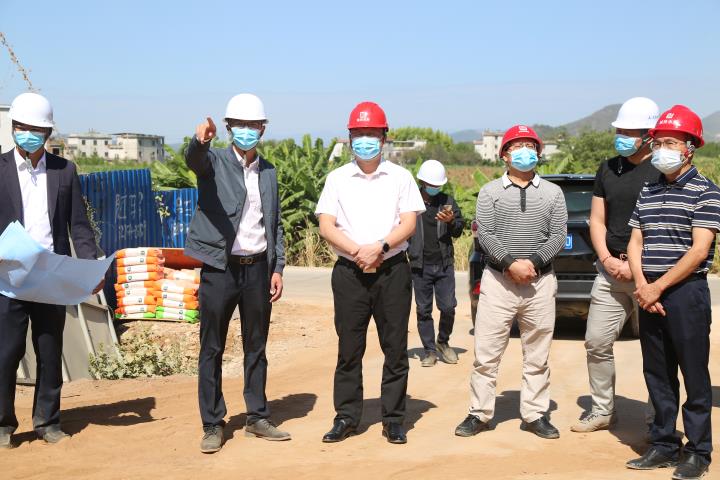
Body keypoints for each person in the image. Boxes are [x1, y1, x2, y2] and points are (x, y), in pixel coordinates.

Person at [315, 101, 425, 444]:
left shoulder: (401, 177)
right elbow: (326, 225)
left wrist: (380, 246)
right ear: (350, 138)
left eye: (371, 133)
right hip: (349, 272)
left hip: (392, 270)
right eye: (359, 133)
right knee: (349, 348)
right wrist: (357, 251)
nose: (365, 139)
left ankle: (393, 419)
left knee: (395, 348)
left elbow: (409, 222)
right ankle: (346, 417)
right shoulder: (336, 179)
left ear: (384, 137)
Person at [185, 93, 289, 454]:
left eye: (253, 125)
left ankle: (257, 416)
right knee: (212, 347)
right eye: (240, 125)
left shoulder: (269, 172)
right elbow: (194, 160)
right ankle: (212, 423)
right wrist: (199, 141)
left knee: (256, 346)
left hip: (257, 269)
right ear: (229, 127)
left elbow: (275, 222)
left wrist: (277, 267)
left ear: (263, 129)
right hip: (220, 268)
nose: (246, 130)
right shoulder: (213, 161)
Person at [0, 92, 102, 448]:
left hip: (50, 276)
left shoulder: (64, 171)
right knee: (6, 352)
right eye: (22, 127)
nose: (28, 134)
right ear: (13, 128)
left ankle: (47, 421)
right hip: (9, 277)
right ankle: (3, 425)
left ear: (47, 133)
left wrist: (91, 265)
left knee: (49, 350)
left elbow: (79, 225)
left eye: (36, 130)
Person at [454, 125, 567, 440]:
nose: (524, 151)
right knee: (486, 354)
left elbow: (558, 235)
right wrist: (510, 264)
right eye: (517, 146)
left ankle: (535, 414)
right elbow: (486, 234)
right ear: (504, 154)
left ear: (539, 153)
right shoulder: (490, 192)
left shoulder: (553, 193)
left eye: (530, 145)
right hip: (498, 281)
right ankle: (479, 413)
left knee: (537, 354)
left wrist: (533, 264)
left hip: (539, 282)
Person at [625, 105, 717, 480]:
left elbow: (699, 250)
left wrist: (659, 287)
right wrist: (642, 285)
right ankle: (663, 444)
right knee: (658, 373)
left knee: (693, 374)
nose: (662, 148)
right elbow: (635, 241)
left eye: (671, 142)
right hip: (648, 290)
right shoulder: (648, 189)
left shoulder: (706, 191)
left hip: (685, 293)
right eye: (658, 142)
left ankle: (698, 451)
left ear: (690, 148)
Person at [572, 97, 661, 433]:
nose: (621, 137)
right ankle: (602, 410)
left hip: (649, 275)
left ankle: (657, 420)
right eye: (619, 130)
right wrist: (607, 259)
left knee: (656, 350)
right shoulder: (608, 168)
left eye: (629, 132)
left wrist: (635, 267)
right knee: (596, 342)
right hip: (610, 273)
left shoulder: (663, 171)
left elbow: (664, 226)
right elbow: (597, 220)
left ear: (649, 135)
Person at [407, 159, 464, 367]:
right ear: (422, 182)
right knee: (423, 310)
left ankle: (443, 341)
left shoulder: (447, 201)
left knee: (448, 307)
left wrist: (451, 221)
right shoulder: (410, 203)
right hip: (419, 266)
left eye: (438, 185)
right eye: (431, 185)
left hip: (444, 264)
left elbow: (458, 230)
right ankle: (429, 351)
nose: (434, 188)